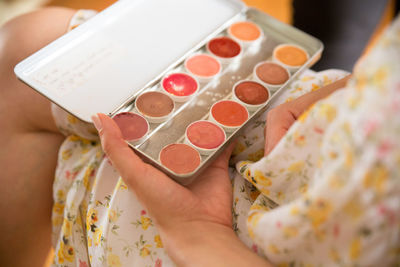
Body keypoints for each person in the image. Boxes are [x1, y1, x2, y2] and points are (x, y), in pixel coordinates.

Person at [0, 7, 399, 267]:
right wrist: (347, 88)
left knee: (19, 57)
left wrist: (197, 230)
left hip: (231, 241)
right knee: (25, 46)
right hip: (322, 129)